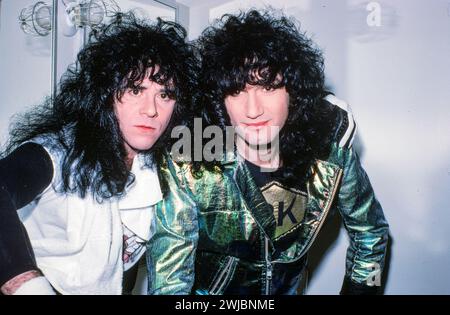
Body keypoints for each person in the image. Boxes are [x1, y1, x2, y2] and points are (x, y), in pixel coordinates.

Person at [148, 9, 389, 295]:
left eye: (267, 87)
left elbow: (372, 235)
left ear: (293, 92)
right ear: (219, 99)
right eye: (236, 91)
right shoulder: (189, 163)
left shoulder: (331, 155)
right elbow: (169, 282)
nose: (253, 110)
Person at [0, 12, 198, 295]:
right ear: (105, 93)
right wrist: (26, 283)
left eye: (165, 95)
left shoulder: (157, 167)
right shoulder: (57, 151)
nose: (151, 109)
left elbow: (118, 268)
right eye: (135, 89)